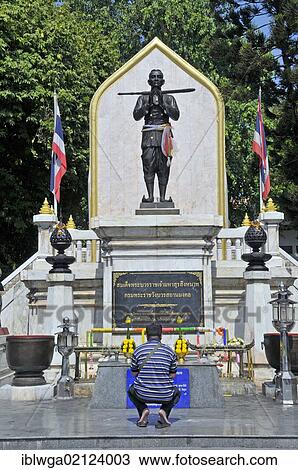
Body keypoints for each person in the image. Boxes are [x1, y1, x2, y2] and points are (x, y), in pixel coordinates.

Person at [133, 69, 180, 203]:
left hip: (164, 135)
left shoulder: (169, 98)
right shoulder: (143, 98)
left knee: (163, 166)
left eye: (158, 77)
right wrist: (148, 105)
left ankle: (163, 197)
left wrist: (162, 104)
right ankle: (150, 196)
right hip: (148, 136)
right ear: (149, 81)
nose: (156, 79)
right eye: (153, 77)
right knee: (148, 164)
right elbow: (136, 116)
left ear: (163, 81)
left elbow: (176, 115)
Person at [127, 323, 181, 428]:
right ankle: (164, 412)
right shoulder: (169, 351)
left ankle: (143, 411)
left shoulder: (138, 350)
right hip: (165, 394)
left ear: (146, 335)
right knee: (177, 393)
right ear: (161, 335)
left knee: (131, 390)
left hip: (142, 393)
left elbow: (134, 373)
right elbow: (173, 375)